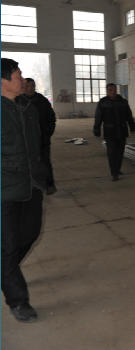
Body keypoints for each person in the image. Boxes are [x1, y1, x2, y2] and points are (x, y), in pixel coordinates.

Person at [1, 58, 48, 323]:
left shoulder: (27, 108)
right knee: (7, 246)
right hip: (4, 188)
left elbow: (37, 144)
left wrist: (42, 174)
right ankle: (18, 300)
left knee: (30, 233)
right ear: (3, 81)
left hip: (31, 183)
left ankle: (5, 271)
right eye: (18, 75)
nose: (23, 79)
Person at [93, 83, 135, 181]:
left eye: (114, 90)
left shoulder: (123, 102)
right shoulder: (103, 102)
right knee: (112, 152)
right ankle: (114, 173)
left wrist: (132, 127)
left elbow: (129, 115)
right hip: (110, 132)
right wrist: (97, 130)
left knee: (120, 152)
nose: (113, 92)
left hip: (122, 130)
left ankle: (117, 169)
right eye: (110, 90)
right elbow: (98, 117)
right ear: (107, 91)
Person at [22, 78, 57, 195]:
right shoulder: (18, 101)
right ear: (23, 87)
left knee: (45, 162)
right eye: (27, 85)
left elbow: (51, 118)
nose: (30, 88)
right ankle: (30, 186)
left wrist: (47, 134)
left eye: (32, 85)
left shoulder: (42, 101)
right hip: (25, 141)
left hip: (42, 139)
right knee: (26, 164)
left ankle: (49, 185)